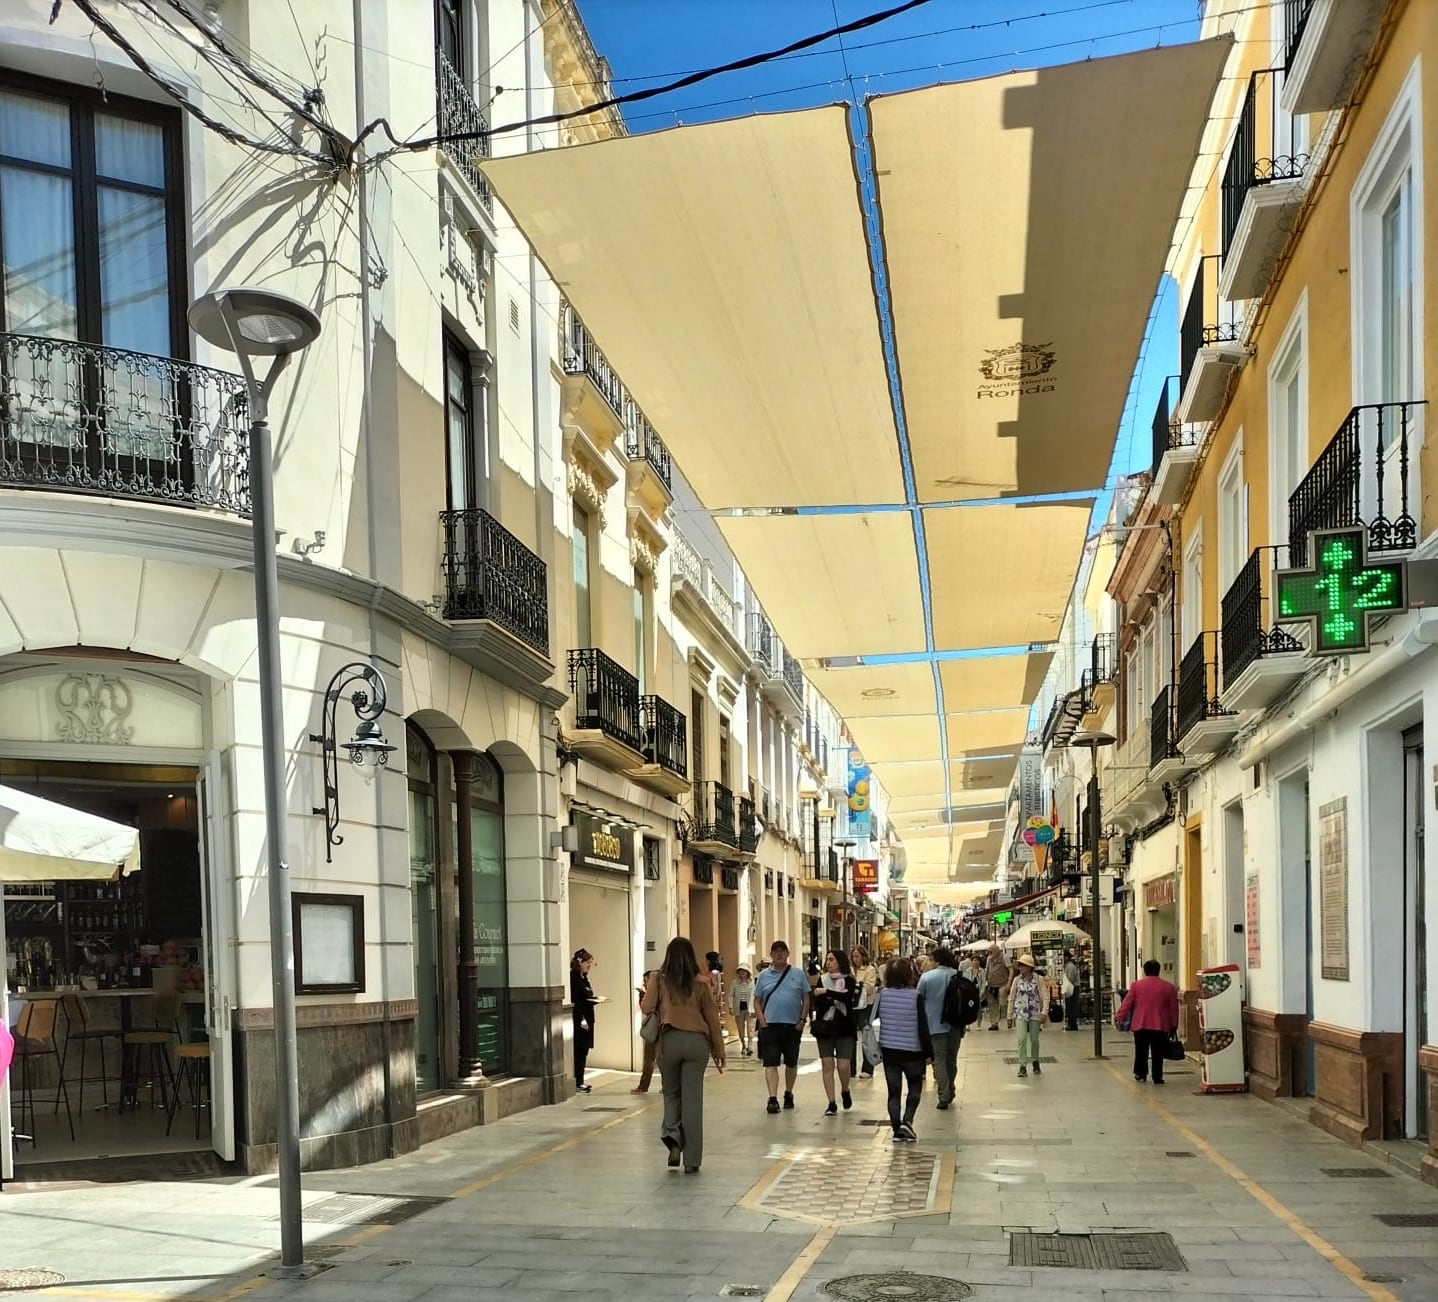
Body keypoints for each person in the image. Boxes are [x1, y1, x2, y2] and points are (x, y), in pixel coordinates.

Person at [641, 937, 726, 1173]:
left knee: (671, 1094)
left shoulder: (659, 979)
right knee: (693, 1100)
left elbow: (647, 1008)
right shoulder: (701, 983)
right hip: (697, 1043)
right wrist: (719, 1050)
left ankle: (673, 1138)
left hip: (669, 1041)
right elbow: (712, 1018)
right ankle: (692, 1161)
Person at [872, 955, 931, 1142]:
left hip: (889, 1050)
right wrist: (929, 1053)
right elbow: (923, 1026)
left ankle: (896, 1129)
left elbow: (872, 1020)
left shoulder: (882, 995)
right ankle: (908, 1121)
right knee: (915, 1087)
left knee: (893, 1091)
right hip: (913, 1050)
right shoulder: (916, 996)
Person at [754, 940, 811, 1114]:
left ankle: (788, 1092)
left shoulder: (798, 974)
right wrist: (762, 1021)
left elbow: (806, 997)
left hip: (792, 1025)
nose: (779, 954)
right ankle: (772, 1097)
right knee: (770, 1062)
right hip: (770, 1025)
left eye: (782, 951)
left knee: (791, 1062)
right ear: (771, 955)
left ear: (788, 954)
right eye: (776, 951)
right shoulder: (764, 976)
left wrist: (802, 1019)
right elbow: (757, 1000)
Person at [1117, 959, 1181, 1085]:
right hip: (1160, 1025)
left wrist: (1119, 1017)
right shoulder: (1169, 987)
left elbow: (1127, 1003)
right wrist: (1174, 1024)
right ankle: (1157, 1077)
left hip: (1141, 1024)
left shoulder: (1136, 985)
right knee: (1158, 1053)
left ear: (1145, 971)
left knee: (1141, 1051)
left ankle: (1140, 1073)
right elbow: (1173, 1008)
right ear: (1159, 970)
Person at [812, 949, 858, 1115]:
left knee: (843, 1065)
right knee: (827, 1064)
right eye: (827, 960)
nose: (828, 963)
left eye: (831, 959)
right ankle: (831, 1102)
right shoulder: (822, 979)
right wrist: (834, 996)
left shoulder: (849, 980)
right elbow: (818, 1002)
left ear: (840, 961)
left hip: (844, 1027)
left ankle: (845, 1089)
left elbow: (848, 999)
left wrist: (826, 993)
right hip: (825, 1027)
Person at [917, 945, 960, 1110]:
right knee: (952, 1060)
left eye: (931, 959)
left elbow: (918, 1000)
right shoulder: (958, 975)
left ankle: (944, 1094)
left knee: (939, 1061)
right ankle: (951, 1088)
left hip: (934, 1025)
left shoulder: (927, 978)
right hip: (955, 1024)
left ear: (936, 960)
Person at [1006, 953, 1049, 1078]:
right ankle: (1023, 1065)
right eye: (1020, 965)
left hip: (1035, 1013)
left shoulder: (1038, 979)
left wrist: (1044, 1012)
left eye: (1023, 965)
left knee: (1034, 1039)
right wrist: (1009, 1015)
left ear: (1030, 967)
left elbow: (1045, 996)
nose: (1021, 968)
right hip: (1020, 1013)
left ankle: (1035, 1060)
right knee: (1021, 1039)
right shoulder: (1017, 980)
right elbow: (1012, 998)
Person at [570, 948, 607, 1093]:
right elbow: (577, 1002)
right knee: (579, 1050)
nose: (589, 966)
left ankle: (581, 1080)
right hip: (581, 1019)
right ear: (580, 963)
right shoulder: (574, 979)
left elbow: (587, 996)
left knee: (584, 1051)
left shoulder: (584, 978)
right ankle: (577, 1081)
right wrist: (582, 1020)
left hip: (588, 1017)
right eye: (587, 963)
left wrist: (596, 999)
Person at [851, 945, 880, 1078]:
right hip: (852, 1006)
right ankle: (850, 1068)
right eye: (853, 956)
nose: (855, 959)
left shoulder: (870, 970)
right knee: (850, 1037)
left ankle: (868, 1068)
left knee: (866, 1036)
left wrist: (856, 984)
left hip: (865, 1006)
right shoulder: (850, 970)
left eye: (857, 956)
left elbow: (869, 987)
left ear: (863, 956)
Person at [632, 969, 659, 1093]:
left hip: (656, 1029)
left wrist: (644, 995)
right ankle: (644, 1085)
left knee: (649, 1058)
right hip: (663, 1028)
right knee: (652, 1058)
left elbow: (646, 1009)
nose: (645, 983)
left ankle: (644, 1086)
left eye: (646, 980)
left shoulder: (653, 993)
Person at [729, 964, 756, 1057]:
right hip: (739, 1008)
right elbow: (731, 995)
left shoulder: (752, 983)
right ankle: (743, 1045)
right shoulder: (734, 983)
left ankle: (750, 1045)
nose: (742, 974)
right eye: (740, 972)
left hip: (750, 1008)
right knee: (740, 1028)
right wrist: (730, 1007)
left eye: (744, 972)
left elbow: (755, 996)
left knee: (750, 1027)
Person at [984, 944, 1010, 1031]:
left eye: (992, 951)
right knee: (992, 1004)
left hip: (1002, 984)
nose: (990, 952)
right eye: (989, 951)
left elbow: (1011, 970)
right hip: (991, 985)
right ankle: (994, 1023)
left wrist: (1009, 983)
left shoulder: (1004, 957)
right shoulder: (989, 959)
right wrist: (985, 981)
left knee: (1003, 1003)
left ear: (997, 950)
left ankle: (1009, 1019)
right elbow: (987, 970)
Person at [1063, 949, 1083, 1031]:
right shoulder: (1067, 966)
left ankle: (1073, 1024)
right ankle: (1071, 1023)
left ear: (1067, 957)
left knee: (1072, 1006)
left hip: (1073, 988)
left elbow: (1070, 978)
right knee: (1069, 1006)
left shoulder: (1070, 966)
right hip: (1071, 987)